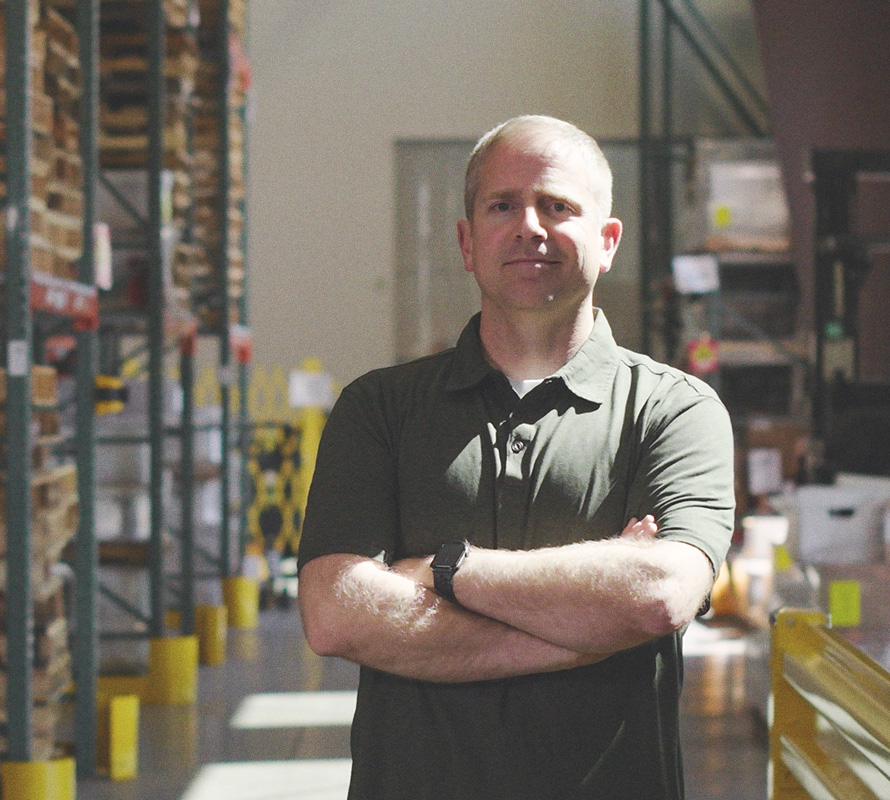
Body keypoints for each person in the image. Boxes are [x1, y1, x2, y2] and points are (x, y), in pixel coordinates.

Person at [296, 114, 735, 800]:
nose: (530, 225)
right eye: (503, 205)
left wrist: (449, 571)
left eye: (557, 206)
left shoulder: (675, 410)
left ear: (607, 240)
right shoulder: (378, 410)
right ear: (468, 243)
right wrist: (586, 630)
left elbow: (657, 595)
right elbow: (334, 613)